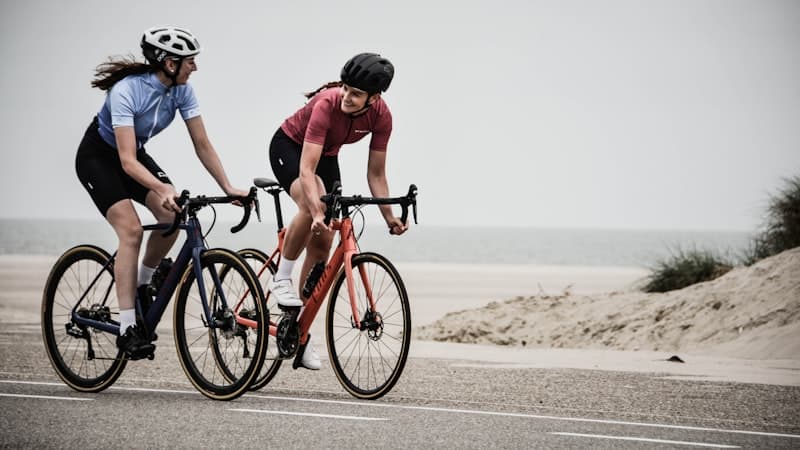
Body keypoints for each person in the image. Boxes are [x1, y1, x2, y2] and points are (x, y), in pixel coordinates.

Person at [75, 26, 249, 359]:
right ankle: (128, 328)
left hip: (133, 155)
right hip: (99, 158)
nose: (194, 67)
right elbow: (126, 161)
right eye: (190, 62)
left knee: (172, 214)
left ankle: (143, 283)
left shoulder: (183, 91)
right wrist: (161, 186)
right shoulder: (126, 91)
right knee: (131, 231)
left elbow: (202, 143)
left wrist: (227, 187)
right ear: (170, 64)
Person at [266, 53, 408, 370]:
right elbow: (306, 169)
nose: (346, 96)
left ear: (374, 98)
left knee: (323, 242)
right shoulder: (326, 104)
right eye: (345, 88)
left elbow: (377, 175)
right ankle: (282, 277)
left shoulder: (382, 117)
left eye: (355, 93)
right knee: (310, 198)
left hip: (326, 155)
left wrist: (389, 217)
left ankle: (298, 330)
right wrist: (316, 209)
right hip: (290, 147)